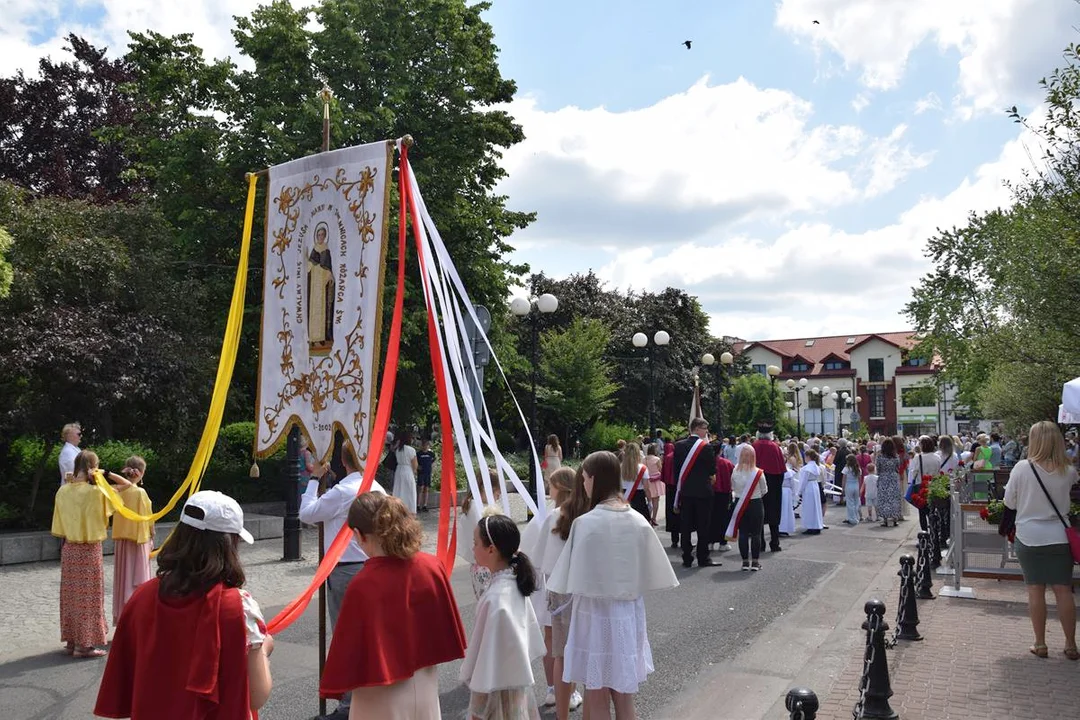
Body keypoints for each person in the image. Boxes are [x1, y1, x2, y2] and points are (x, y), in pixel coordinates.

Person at [95, 490, 273, 718]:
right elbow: (257, 695)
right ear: (229, 545)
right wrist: (264, 647)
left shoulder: (142, 596)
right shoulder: (239, 607)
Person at [547, 451, 678, 719]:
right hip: (627, 614)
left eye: (584, 478)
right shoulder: (638, 520)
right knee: (625, 697)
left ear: (594, 479)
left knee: (596, 695)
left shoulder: (585, 523)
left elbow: (564, 579)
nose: (583, 484)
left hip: (593, 615)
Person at [320, 493, 466, 717]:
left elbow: (349, 651)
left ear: (359, 535)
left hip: (380, 692)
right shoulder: (432, 566)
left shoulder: (364, 583)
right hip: (425, 685)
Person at [299, 442, 386, 719]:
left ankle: (350, 705)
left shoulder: (345, 490)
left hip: (347, 570)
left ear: (343, 460)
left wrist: (314, 479)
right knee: (369, 636)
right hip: (375, 565)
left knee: (347, 637)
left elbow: (307, 513)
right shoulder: (377, 487)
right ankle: (367, 697)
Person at [1003, 421, 1079, 660]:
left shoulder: (1022, 468)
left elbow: (1009, 503)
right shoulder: (1069, 471)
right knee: (1063, 590)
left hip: (1029, 536)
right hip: (1059, 535)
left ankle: (1040, 643)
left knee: (1035, 591)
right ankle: (1070, 644)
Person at [460, 514, 545, 720]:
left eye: (475, 543)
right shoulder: (513, 584)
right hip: (515, 689)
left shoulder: (495, 599)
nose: (473, 549)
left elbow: (486, 659)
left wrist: (477, 706)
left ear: (491, 549)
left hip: (496, 694)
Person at [53, 450, 130, 658]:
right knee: (89, 597)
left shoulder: (63, 491)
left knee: (71, 596)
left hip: (69, 549)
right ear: (92, 468)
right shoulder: (97, 493)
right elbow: (127, 486)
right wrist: (104, 473)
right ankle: (84, 646)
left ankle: (72, 641)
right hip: (89, 549)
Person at [519, 468, 584, 715]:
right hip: (576, 589)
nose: (548, 487)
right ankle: (571, 690)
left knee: (554, 643)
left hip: (554, 590)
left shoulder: (550, 516)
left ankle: (553, 689)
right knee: (573, 642)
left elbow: (533, 554)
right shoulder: (582, 514)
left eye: (551, 483)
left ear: (562, 487)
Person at [111, 456, 154, 625]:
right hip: (138, 541)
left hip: (122, 540)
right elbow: (146, 516)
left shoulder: (117, 490)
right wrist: (152, 533)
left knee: (123, 579)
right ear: (141, 473)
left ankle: (122, 616)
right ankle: (137, 618)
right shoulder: (140, 492)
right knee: (137, 580)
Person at [671, 418, 717, 567]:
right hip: (703, 492)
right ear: (696, 428)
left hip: (686, 491)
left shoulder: (678, 446)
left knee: (686, 526)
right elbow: (712, 471)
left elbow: (676, 471)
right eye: (705, 428)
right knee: (703, 526)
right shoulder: (707, 447)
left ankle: (687, 557)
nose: (706, 431)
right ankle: (703, 557)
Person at [460, 467, 504, 600]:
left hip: (480, 564)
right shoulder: (477, 509)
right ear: (485, 488)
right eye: (496, 494)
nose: (498, 498)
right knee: (490, 603)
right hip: (486, 565)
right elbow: (489, 535)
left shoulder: (472, 506)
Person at [727, 445, 768, 571]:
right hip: (755, 503)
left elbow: (732, 486)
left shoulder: (735, 471)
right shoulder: (758, 472)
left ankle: (745, 562)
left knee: (743, 533)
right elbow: (764, 490)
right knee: (756, 534)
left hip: (740, 503)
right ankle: (755, 562)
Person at [752, 422, 787, 552]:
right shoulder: (775, 447)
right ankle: (774, 542)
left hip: (756, 483)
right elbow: (782, 470)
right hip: (773, 483)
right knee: (774, 512)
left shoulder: (754, 446)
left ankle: (760, 543)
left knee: (758, 513)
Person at [908, 436, 942, 531]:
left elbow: (914, 472)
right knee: (933, 509)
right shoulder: (937, 457)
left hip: (921, 485)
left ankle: (924, 532)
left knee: (922, 511)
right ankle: (934, 528)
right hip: (934, 485)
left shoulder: (918, 457)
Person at [710, 447, 735, 552]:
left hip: (710, 493)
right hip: (724, 493)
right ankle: (722, 542)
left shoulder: (706, 462)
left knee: (710, 518)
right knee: (724, 518)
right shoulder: (727, 463)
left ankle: (709, 542)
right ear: (720, 451)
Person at [875, 439, 903, 527]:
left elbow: (878, 468)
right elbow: (898, 467)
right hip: (893, 478)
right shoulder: (896, 456)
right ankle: (895, 519)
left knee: (884, 499)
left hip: (884, 478)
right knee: (894, 498)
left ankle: (885, 520)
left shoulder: (880, 457)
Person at [621, 441, 650, 522]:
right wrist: (650, 502)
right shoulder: (643, 468)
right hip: (638, 499)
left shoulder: (620, 467)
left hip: (623, 498)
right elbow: (647, 488)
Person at [797, 450, 824, 534]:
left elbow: (803, 481)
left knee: (809, 507)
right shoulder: (816, 466)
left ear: (808, 457)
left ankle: (811, 526)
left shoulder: (806, 468)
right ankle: (816, 525)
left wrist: (799, 491)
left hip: (808, 487)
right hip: (815, 485)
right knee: (815, 506)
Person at [393, 430, 419, 513]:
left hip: (399, 470)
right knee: (409, 491)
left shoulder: (398, 450)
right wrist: (414, 473)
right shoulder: (411, 450)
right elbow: (415, 464)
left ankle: (398, 508)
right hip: (407, 470)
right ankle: (409, 510)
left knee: (399, 489)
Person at [662, 436, 678, 547]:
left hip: (669, 488)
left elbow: (663, 475)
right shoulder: (683, 457)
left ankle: (674, 539)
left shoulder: (667, 457)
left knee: (672, 514)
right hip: (680, 487)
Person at [644, 443, 664, 526]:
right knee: (656, 501)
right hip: (656, 481)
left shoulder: (644, 459)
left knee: (649, 500)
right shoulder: (657, 459)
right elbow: (661, 470)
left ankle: (648, 517)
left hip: (647, 480)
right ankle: (654, 518)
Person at [416, 439, 436, 512]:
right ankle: (418, 505)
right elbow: (416, 463)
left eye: (426, 445)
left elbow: (433, 461)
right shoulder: (418, 454)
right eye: (423, 445)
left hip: (428, 473)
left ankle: (425, 505)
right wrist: (418, 468)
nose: (425, 447)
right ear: (421, 446)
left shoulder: (431, 454)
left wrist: (432, 468)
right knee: (420, 488)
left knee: (426, 489)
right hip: (421, 473)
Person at [842, 454, 862, 525]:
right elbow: (859, 479)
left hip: (849, 485)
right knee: (856, 502)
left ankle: (851, 518)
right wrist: (859, 488)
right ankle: (855, 516)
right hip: (856, 485)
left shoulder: (846, 468)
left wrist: (843, 488)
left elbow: (844, 479)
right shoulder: (858, 468)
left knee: (850, 502)